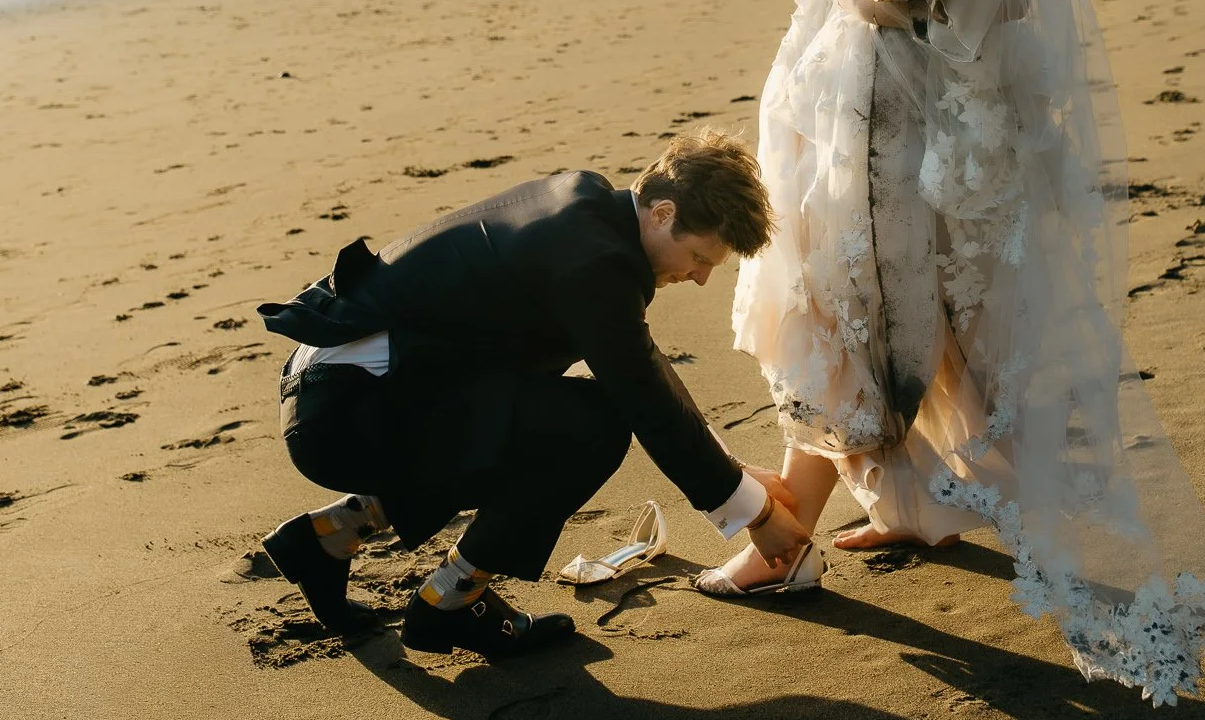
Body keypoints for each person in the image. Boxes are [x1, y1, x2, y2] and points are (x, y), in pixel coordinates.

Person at [698, 0, 1205, 706]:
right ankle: (910, 508)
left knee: (857, 313)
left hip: (892, 135)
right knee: (906, 312)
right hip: (896, 127)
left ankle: (785, 543)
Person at [257, 132, 808, 661]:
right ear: (662, 214)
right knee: (589, 429)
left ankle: (330, 535)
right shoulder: (594, 261)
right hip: (348, 413)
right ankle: (452, 598)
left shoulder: (586, 208)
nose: (701, 277)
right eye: (701, 257)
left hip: (352, 386)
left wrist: (731, 470)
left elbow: (641, 372)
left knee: (544, 419)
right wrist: (755, 515)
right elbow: (641, 396)